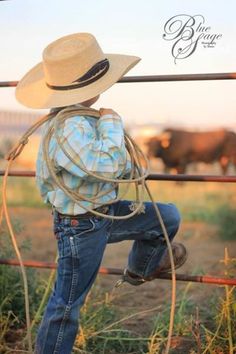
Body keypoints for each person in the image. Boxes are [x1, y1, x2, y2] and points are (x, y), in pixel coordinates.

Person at [15, 33, 187, 354]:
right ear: (92, 88)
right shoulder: (70, 127)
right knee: (67, 304)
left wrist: (113, 144)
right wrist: (112, 123)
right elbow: (107, 168)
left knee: (165, 216)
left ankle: (139, 269)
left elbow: (113, 169)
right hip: (81, 225)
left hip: (102, 212)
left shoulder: (78, 122)